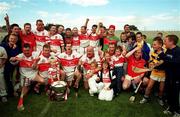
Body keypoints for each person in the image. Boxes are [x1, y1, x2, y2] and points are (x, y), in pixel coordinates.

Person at [10, 43, 45, 111]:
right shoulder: (21, 55)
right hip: (24, 75)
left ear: (31, 49)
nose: (26, 52)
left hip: (33, 74)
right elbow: (11, 60)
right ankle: (23, 90)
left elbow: (36, 67)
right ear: (23, 50)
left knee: (42, 81)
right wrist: (14, 58)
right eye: (25, 51)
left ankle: (35, 86)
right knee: (23, 92)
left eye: (28, 50)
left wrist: (35, 62)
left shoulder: (35, 54)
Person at [140, 37, 166, 106]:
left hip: (162, 74)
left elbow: (160, 62)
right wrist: (149, 63)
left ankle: (160, 99)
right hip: (154, 72)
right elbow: (151, 60)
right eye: (153, 44)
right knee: (149, 86)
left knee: (161, 89)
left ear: (160, 45)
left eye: (154, 44)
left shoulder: (163, 54)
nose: (152, 46)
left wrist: (154, 65)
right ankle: (145, 97)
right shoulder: (153, 52)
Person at [163, 35, 180, 116]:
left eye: (165, 40)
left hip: (176, 77)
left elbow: (176, 62)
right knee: (168, 92)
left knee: (175, 94)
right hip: (168, 76)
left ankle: (177, 111)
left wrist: (165, 58)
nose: (164, 42)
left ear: (171, 42)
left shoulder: (178, 51)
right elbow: (165, 62)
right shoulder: (168, 50)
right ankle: (170, 108)